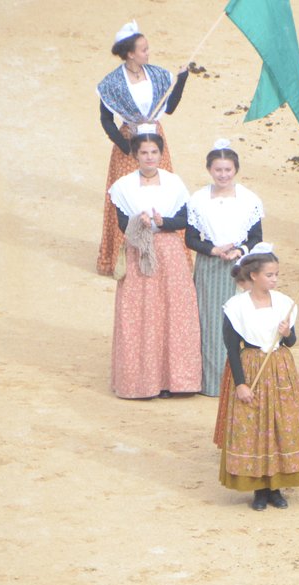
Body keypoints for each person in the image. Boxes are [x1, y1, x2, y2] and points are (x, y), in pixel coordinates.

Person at [214, 245, 299, 511]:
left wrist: (287, 332)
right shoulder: (236, 307)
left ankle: (276, 488)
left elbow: (291, 342)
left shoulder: (283, 302)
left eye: (276, 275)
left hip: (280, 366)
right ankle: (259, 489)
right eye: (270, 275)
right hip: (252, 366)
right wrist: (241, 383)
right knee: (254, 427)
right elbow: (232, 348)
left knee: (280, 425)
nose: (274, 280)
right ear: (254, 276)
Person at [107, 129, 201, 399]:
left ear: (161, 154)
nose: (149, 157)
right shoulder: (123, 186)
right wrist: (141, 223)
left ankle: (177, 381)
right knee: (141, 314)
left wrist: (163, 223)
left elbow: (185, 219)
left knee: (174, 312)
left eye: (154, 152)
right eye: (144, 153)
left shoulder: (174, 183)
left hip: (170, 252)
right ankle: (141, 382)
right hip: (140, 252)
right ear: (136, 155)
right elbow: (123, 224)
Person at [96, 20, 190, 276]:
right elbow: (106, 119)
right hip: (129, 144)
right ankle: (120, 260)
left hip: (155, 139)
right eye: (143, 49)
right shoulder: (112, 83)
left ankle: (168, 255)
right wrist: (124, 145)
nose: (148, 53)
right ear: (130, 53)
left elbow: (169, 107)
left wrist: (181, 81)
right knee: (126, 199)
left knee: (165, 194)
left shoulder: (158, 75)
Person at [185, 140, 264, 397]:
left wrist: (240, 250)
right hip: (210, 266)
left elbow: (256, 237)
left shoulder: (249, 199)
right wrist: (213, 250)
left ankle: (241, 381)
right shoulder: (198, 199)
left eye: (227, 170)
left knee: (243, 321)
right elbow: (191, 238)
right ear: (210, 170)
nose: (223, 175)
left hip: (241, 269)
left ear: (235, 170)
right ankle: (213, 383)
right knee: (210, 323)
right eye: (218, 170)